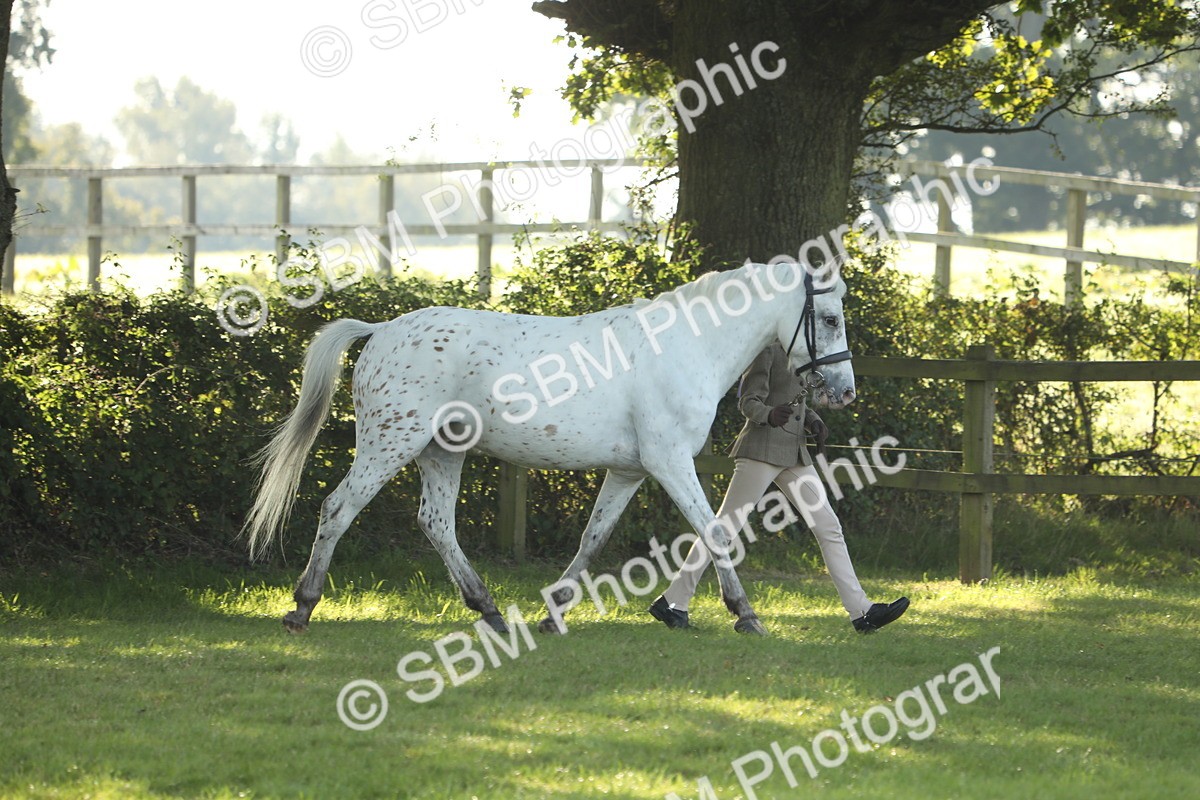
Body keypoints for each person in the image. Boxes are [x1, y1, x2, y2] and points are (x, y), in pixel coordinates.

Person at [648, 342, 909, 634]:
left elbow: (797, 402)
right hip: (762, 451)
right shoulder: (766, 350)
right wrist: (769, 414)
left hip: (795, 455)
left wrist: (814, 421)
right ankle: (673, 602)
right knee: (723, 530)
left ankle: (862, 612)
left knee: (828, 526)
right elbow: (748, 402)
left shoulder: (800, 350)